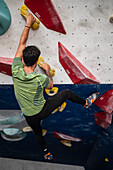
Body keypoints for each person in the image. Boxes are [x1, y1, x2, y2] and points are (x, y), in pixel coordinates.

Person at [12, 13, 99, 160]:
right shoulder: (40, 79)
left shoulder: (15, 69)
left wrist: (28, 24)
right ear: (35, 64)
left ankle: (46, 153)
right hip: (41, 111)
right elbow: (50, 85)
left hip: (28, 115)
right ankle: (85, 103)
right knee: (66, 93)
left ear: (22, 60)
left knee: (38, 132)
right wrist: (46, 70)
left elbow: (21, 45)